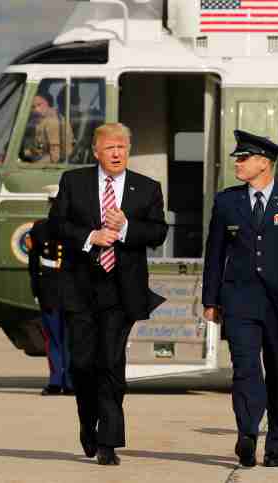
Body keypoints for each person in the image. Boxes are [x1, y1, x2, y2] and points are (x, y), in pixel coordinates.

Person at [47, 122, 168, 466]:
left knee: (111, 364)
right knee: (83, 364)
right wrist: (91, 237)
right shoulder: (74, 182)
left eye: (122, 147)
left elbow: (158, 232)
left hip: (121, 290)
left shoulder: (147, 188)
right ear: (96, 152)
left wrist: (126, 227)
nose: (117, 153)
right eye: (110, 148)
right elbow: (56, 225)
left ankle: (108, 442)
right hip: (80, 288)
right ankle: (88, 423)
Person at [202, 130, 278, 468]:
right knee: (245, 368)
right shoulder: (227, 201)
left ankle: (276, 443)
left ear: (264, 163)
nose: (237, 164)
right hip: (239, 299)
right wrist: (210, 300)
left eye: (244, 158)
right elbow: (215, 254)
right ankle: (248, 434)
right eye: (238, 158)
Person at [26, 185, 74, 396]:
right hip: (49, 289)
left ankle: (71, 383)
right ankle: (55, 382)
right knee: (54, 338)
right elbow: (33, 263)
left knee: (70, 339)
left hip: (72, 289)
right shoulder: (39, 228)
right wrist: (36, 291)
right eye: (54, 203)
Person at [22, 92, 74, 163]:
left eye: (39, 105)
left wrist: (31, 166)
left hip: (55, 163)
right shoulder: (39, 120)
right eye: (33, 107)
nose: (36, 109)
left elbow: (55, 157)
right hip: (40, 158)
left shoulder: (53, 122)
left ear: (47, 103)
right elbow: (35, 148)